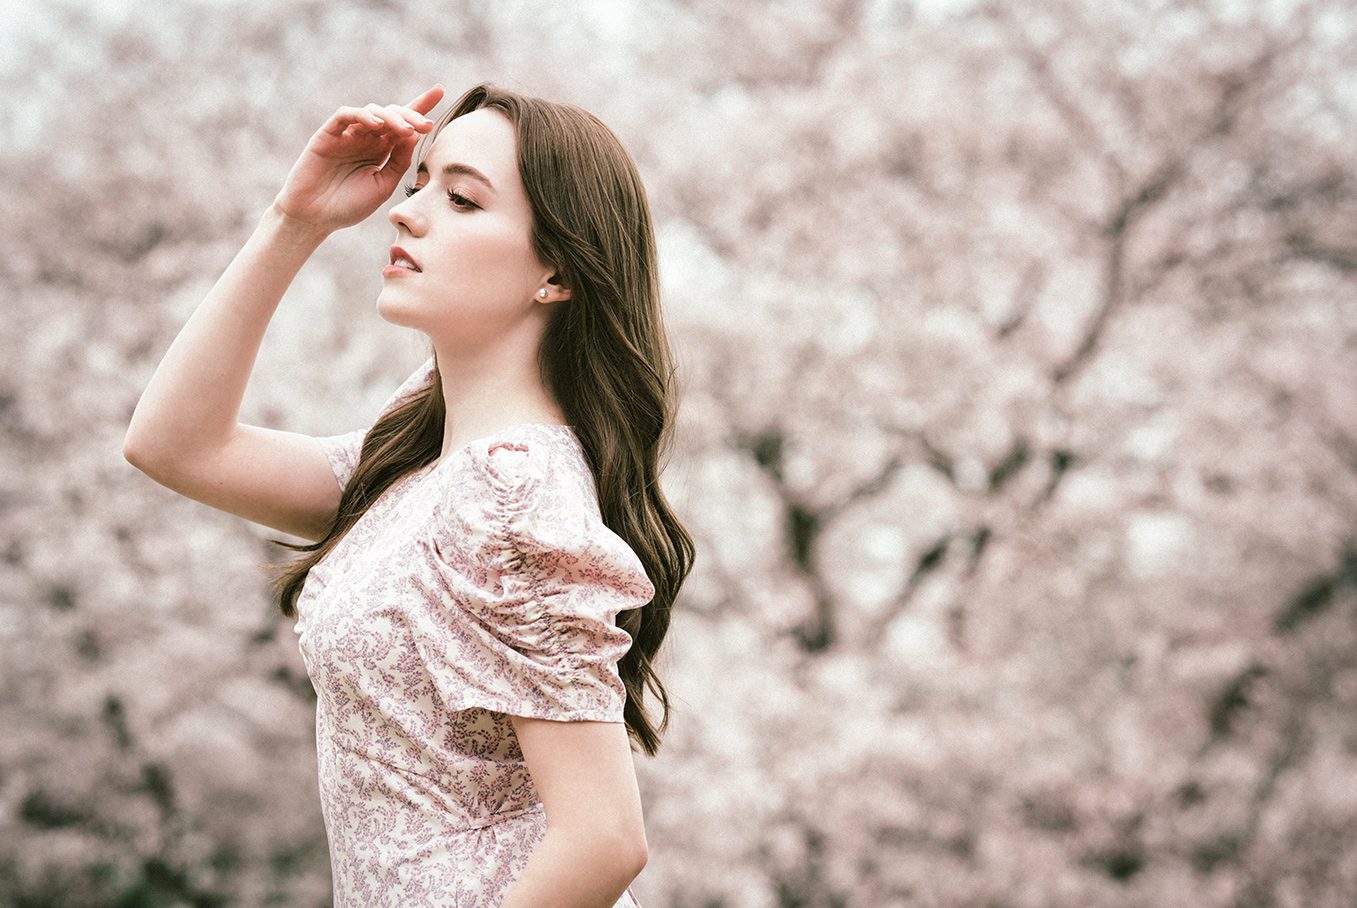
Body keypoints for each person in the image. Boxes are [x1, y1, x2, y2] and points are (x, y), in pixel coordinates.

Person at [123, 81, 695, 907]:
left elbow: (603, 840)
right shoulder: (421, 458)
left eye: (461, 198)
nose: (407, 210)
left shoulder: (510, 497)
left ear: (559, 272)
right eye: (418, 181)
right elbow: (174, 444)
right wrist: (297, 218)